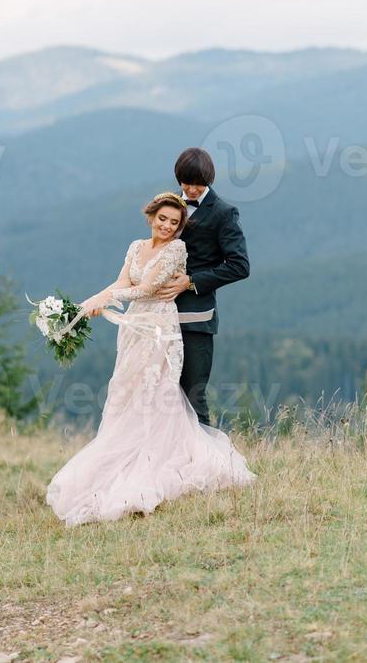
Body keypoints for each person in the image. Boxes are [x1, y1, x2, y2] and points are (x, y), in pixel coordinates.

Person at [45, 190, 256, 527]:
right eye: (163, 219)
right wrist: (80, 309)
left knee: (156, 394)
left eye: (175, 222)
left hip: (159, 329)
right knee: (126, 392)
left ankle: (160, 461)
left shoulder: (177, 250)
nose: (168, 226)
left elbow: (144, 291)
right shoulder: (136, 247)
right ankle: (122, 456)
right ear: (151, 216)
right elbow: (122, 281)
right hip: (133, 330)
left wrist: (111, 299)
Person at [156, 147, 250, 427]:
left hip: (196, 320)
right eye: (185, 183)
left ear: (209, 180)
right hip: (159, 316)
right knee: (160, 394)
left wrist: (192, 281)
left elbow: (239, 265)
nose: (191, 189)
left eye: (197, 184)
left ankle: (208, 465)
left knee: (193, 396)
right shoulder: (168, 206)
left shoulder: (223, 213)